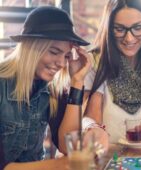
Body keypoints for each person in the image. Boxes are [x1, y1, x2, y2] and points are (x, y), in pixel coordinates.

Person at [0, 6, 108, 170]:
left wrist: (77, 81)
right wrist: (62, 164)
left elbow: (67, 145)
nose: (61, 63)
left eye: (65, 56)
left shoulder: (50, 91)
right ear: (31, 46)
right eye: (54, 51)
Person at [84, 0, 141, 143]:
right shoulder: (94, 63)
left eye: (138, 27)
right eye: (119, 29)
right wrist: (90, 126)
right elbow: (83, 121)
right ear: (109, 29)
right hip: (107, 158)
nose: (129, 38)